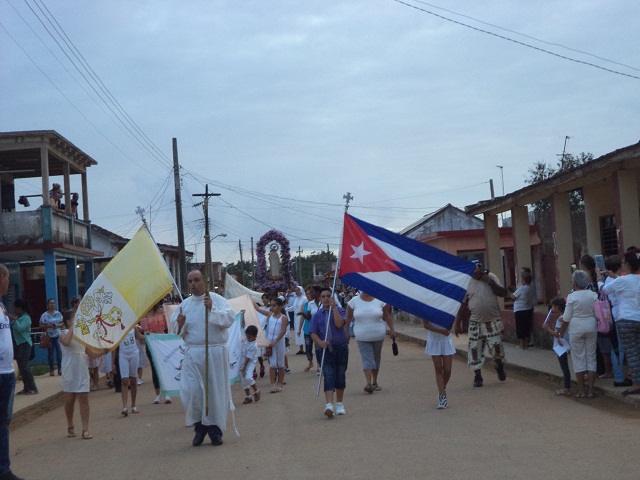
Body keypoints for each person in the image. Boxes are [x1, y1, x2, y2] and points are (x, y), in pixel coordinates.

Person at [170, 269, 235, 447]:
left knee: (214, 394)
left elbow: (229, 319)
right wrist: (180, 325)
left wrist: (211, 309)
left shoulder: (217, 300)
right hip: (194, 354)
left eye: (197, 280)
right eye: (190, 281)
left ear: (204, 281)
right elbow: (175, 329)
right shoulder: (185, 305)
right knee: (193, 393)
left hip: (214, 353)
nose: (193, 284)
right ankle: (199, 428)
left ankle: (214, 431)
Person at [455, 262, 507, 387]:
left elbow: (503, 293)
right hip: (475, 322)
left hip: (493, 320)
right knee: (474, 350)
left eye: (478, 270)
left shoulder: (491, 277)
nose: (476, 273)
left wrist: (490, 282)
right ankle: (478, 377)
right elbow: (463, 305)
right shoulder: (467, 282)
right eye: (474, 271)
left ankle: (499, 366)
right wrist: (457, 323)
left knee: (497, 350)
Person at [60, 308, 104, 440]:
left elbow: (90, 354)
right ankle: (70, 425)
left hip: (82, 368)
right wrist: (73, 327)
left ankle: (85, 429)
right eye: (74, 318)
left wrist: (105, 351)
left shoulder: (83, 334)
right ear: (68, 321)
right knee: (69, 400)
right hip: (69, 370)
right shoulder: (62, 334)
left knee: (84, 399)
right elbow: (67, 342)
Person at [601, 249, 640, 395]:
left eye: (624, 263)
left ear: (628, 265)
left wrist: (601, 279)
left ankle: (637, 383)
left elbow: (605, 290)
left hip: (626, 319)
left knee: (632, 353)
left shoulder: (622, 280)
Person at [0, 264, 25, 480]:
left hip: (6, 371)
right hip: (0, 373)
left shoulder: (1, 307)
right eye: (7, 278)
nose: (8, 283)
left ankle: (3, 467)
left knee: (3, 421)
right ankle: (3, 469)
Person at [557, 270, 598, 398]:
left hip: (576, 328)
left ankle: (581, 390)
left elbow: (566, 317)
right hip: (591, 326)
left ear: (574, 283)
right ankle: (590, 390)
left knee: (578, 359)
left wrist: (560, 333)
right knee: (591, 357)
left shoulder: (572, 297)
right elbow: (598, 314)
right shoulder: (593, 295)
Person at [344, 291, 395, 394]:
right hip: (362, 336)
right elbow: (348, 318)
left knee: (376, 358)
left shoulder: (380, 300)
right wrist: (346, 333)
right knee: (367, 358)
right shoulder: (353, 302)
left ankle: (374, 381)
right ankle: (368, 383)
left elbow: (387, 316)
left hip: (378, 335)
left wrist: (392, 330)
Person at [310, 287, 348, 418]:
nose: (326, 299)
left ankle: (340, 404)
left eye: (328, 296)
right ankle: (329, 405)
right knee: (329, 374)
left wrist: (335, 309)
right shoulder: (317, 315)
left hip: (340, 347)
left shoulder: (341, 310)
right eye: (324, 296)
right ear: (320, 299)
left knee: (340, 375)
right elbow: (313, 333)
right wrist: (320, 343)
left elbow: (339, 324)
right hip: (325, 350)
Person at [601, 255, 631, 387]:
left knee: (619, 348)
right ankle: (619, 376)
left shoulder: (612, 279)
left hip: (617, 314)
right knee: (619, 348)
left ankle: (621, 375)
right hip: (618, 315)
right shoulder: (613, 280)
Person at [255, 297, 288, 393]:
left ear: (280, 306)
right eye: (271, 305)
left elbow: (283, 331)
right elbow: (258, 309)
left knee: (280, 363)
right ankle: (272, 384)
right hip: (270, 342)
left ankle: (280, 383)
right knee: (273, 364)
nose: (272, 308)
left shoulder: (283, 318)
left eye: (274, 305)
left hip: (279, 342)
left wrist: (276, 341)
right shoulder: (270, 315)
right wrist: (250, 299)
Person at [541, 298, 572, 396]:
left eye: (553, 306)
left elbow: (557, 334)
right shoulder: (566, 317)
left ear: (557, 307)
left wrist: (547, 329)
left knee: (564, 367)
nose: (552, 308)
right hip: (568, 342)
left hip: (561, 344)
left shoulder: (560, 319)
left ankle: (567, 388)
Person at [424, 319, 456, 409]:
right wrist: (440, 331)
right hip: (434, 339)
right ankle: (442, 397)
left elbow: (452, 317)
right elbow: (426, 325)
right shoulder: (427, 308)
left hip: (446, 339)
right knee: (438, 369)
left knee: (447, 370)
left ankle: (442, 387)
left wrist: (450, 327)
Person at [10, 299, 37, 395]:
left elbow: (20, 328)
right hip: (18, 344)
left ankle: (33, 387)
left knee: (24, 366)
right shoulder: (19, 317)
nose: (14, 310)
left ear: (20, 308)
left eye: (15, 308)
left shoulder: (26, 318)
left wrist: (15, 320)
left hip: (25, 344)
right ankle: (26, 387)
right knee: (21, 367)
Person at [117, 324, 143, 416]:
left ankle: (133, 405)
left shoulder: (133, 326)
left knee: (133, 379)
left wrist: (147, 337)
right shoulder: (116, 328)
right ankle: (124, 406)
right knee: (124, 380)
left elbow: (139, 337)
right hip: (123, 355)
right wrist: (112, 363)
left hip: (134, 354)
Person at [509, 269, 535, 350]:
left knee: (520, 327)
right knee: (526, 326)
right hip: (528, 308)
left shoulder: (522, 288)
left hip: (520, 309)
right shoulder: (531, 288)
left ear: (524, 280)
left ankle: (521, 344)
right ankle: (526, 343)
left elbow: (513, 297)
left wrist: (510, 293)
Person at [39, 298, 63, 376]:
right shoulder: (44, 315)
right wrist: (49, 326)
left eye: (53, 303)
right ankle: (51, 369)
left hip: (57, 334)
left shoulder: (58, 313)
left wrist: (58, 325)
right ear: (48, 305)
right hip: (49, 336)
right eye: (51, 303)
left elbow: (63, 322)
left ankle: (60, 369)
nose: (52, 305)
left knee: (59, 352)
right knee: (51, 353)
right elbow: (40, 325)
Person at [239, 325, 261, 404]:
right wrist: (243, 314)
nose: (247, 338)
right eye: (247, 336)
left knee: (248, 377)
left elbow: (248, 358)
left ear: (255, 336)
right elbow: (244, 325)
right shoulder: (247, 335)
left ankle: (256, 391)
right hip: (242, 359)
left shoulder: (253, 346)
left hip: (250, 362)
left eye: (249, 337)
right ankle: (248, 396)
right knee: (243, 378)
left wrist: (244, 368)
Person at [297, 287, 315, 372]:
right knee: (308, 347)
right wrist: (299, 328)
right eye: (307, 294)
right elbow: (302, 318)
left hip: (316, 329)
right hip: (307, 328)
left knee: (318, 348)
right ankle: (310, 362)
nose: (308, 296)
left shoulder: (316, 304)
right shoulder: (304, 305)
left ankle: (319, 365)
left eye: (310, 294)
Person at [292, 286, 306, 355]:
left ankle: (307, 348)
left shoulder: (304, 298)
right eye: (296, 290)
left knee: (303, 332)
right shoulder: (296, 299)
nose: (297, 292)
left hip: (302, 317)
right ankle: (301, 349)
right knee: (298, 332)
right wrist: (284, 309)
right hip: (296, 318)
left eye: (298, 290)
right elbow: (293, 307)